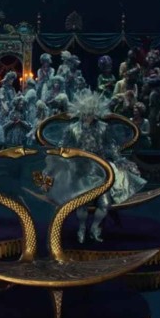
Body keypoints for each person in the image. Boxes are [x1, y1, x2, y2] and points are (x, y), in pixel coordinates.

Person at [47, 91, 146, 243]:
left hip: (102, 170)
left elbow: (111, 147)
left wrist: (120, 160)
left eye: (91, 113)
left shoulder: (103, 128)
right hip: (80, 170)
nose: (88, 116)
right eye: (86, 113)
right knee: (82, 203)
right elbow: (62, 147)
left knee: (105, 204)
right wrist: (60, 160)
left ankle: (95, 227)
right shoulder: (72, 129)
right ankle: (81, 228)